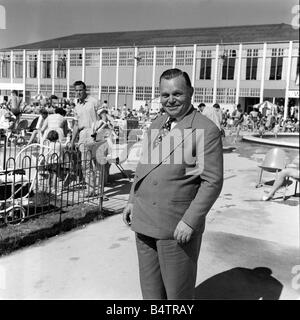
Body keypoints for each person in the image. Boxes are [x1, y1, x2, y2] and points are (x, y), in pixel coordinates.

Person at [122, 68, 223, 300]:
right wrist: (131, 200)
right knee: (151, 292)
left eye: (177, 93)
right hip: (144, 221)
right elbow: (143, 167)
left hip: (175, 227)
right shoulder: (157, 123)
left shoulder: (205, 129)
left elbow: (212, 182)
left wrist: (190, 221)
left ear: (191, 93)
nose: (171, 100)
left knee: (178, 295)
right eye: (165, 94)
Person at [70, 80, 103, 197]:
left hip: (95, 135)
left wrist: (99, 131)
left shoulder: (94, 102)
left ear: (85, 90)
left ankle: (99, 191)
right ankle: (90, 190)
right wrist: (72, 141)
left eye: (80, 90)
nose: (78, 92)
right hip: (83, 137)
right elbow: (75, 125)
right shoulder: (77, 106)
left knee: (97, 165)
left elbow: (104, 118)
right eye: (76, 91)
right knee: (85, 165)